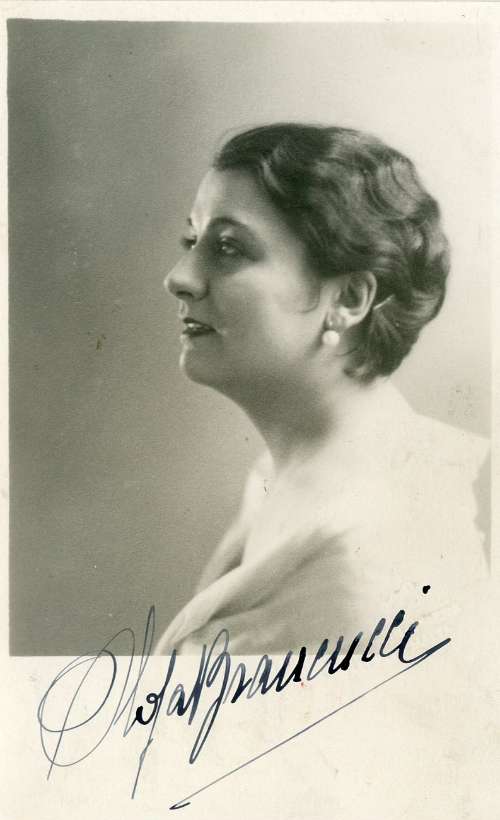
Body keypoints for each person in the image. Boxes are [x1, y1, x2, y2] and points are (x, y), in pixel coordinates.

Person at [155, 123, 489, 656]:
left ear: (350, 298)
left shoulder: (369, 563)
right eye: (192, 241)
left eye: (229, 247)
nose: (180, 277)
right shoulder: (285, 471)